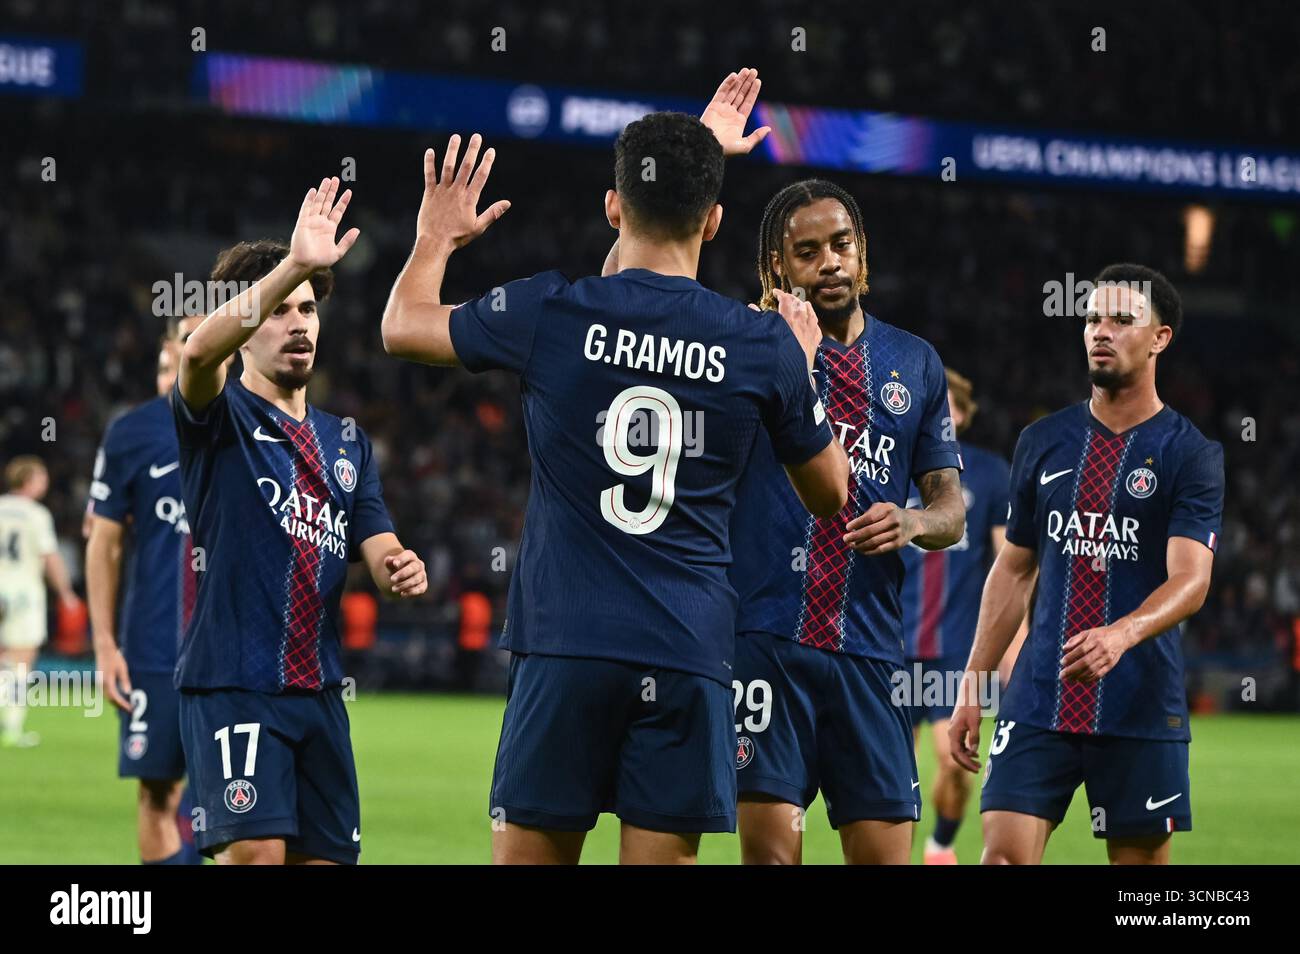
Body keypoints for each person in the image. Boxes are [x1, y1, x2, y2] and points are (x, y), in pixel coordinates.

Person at [380, 72, 848, 864]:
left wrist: (437, 238)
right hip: (688, 652)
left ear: (611, 207)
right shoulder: (761, 344)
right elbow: (831, 492)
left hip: (565, 645)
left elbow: (403, 327)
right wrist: (800, 376)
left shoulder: (553, 312)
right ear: (716, 222)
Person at [173, 178, 427, 864]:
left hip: (317, 691)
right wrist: (295, 261)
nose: (299, 324)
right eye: (280, 310)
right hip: (234, 683)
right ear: (246, 327)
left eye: (308, 308)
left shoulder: (348, 443)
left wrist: (397, 565)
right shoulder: (219, 418)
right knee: (255, 856)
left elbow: (377, 545)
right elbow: (196, 353)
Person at [950, 264, 1223, 865]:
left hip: (1140, 703)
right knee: (1000, 859)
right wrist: (973, 682)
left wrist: (1121, 634)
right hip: (1038, 697)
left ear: (1160, 338)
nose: (1101, 330)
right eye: (1094, 317)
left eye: (1122, 320)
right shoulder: (1042, 440)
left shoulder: (1190, 454)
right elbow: (1014, 570)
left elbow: (1191, 578)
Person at [728, 177, 966, 865]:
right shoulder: (748, 346)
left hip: (871, 651)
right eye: (807, 252)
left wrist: (915, 522)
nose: (829, 262)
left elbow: (951, 510)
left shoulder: (915, 361)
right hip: (768, 640)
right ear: (777, 267)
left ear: (863, 253)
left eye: (841, 245)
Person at [87, 316, 209, 863]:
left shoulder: (255, 426)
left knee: (251, 810)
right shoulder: (131, 433)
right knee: (156, 794)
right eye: (165, 364)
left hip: (234, 654)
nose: (171, 375)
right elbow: (103, 544)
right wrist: (106, 645)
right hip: (155, 649)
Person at [899, 368, 1013, 864]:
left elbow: (1013, 564)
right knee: (891, 771)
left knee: (954, 761)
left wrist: (1014, 642)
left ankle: (941, 843)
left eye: (948, 407)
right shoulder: (892, 467)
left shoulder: (990, 475)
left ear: (964, 415)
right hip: (891, 642)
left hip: (960, 648)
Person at [0, 456, 80, 747]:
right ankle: (12, 727)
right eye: (41, 477)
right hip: (24, 592)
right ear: (28, 481)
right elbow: (50, 558)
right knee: (22, 660)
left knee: (4, 659)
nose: (45, 483)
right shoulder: (36, 515)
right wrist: (66, 594)